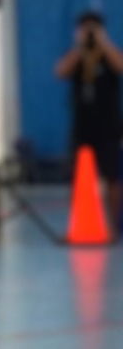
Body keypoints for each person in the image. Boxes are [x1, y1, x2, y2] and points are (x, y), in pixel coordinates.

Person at [56, 11, 123, 224]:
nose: (90, 33)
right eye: (86, 28)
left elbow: (120, 67)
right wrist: (80, 46)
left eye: (93, 28)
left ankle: (114, 223)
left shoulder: (109, 54)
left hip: (109, 125)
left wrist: (103, 42)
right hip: (82, 125)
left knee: (113, 175)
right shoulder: (76, 55)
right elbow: (60, 72)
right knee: (80, 176)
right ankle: (82, 220)